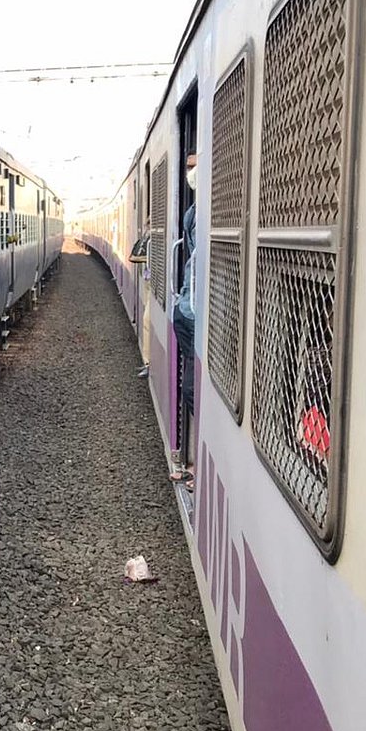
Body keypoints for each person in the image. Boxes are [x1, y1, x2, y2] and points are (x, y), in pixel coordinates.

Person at [171, 153, 197, 486]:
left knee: (192, 389)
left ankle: (199, 467)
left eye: (196, 165)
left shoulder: (208, 212)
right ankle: (193, 465)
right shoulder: (193, 213)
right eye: (188, 166)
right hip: (188, 315)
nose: (191, 171)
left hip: (199, 318)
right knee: (190, 387)